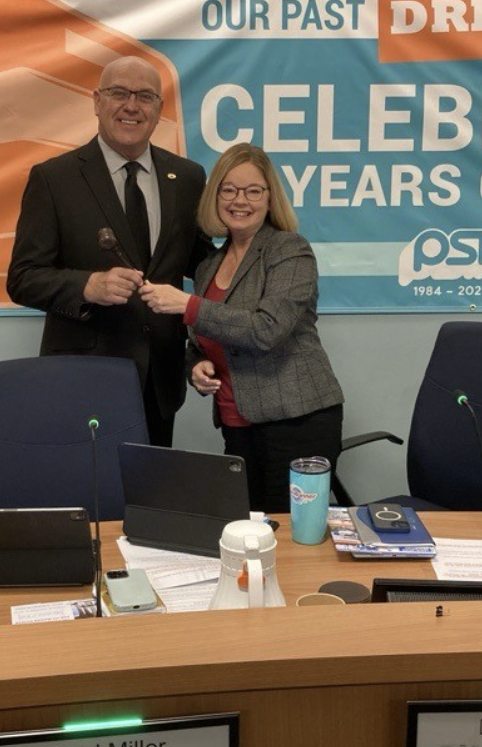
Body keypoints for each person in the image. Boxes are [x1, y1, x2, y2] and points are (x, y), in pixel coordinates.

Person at [7, 56, 211, 447]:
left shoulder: (187, 178)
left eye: (145, 96)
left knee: (147, 496)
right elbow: (22, 278)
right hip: (83, 377)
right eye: (119, 93)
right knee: (86, 498)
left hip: (160, 379)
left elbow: (204, 265)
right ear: (97, 101)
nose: (131, 106)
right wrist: (89, 286)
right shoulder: (53, 179)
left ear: (160, 110)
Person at [140, 143, 344, 512]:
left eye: (253, 191)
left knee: (287, 541)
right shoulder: (208, 267)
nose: (240, 200)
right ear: (215, 196)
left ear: (270, 198)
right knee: (247, 534)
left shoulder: (290, 250)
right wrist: (196, 367)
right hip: (237, 423)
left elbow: (266, 329)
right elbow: (202, 342)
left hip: (297, 422)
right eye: (229, 189)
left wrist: (187, 305)